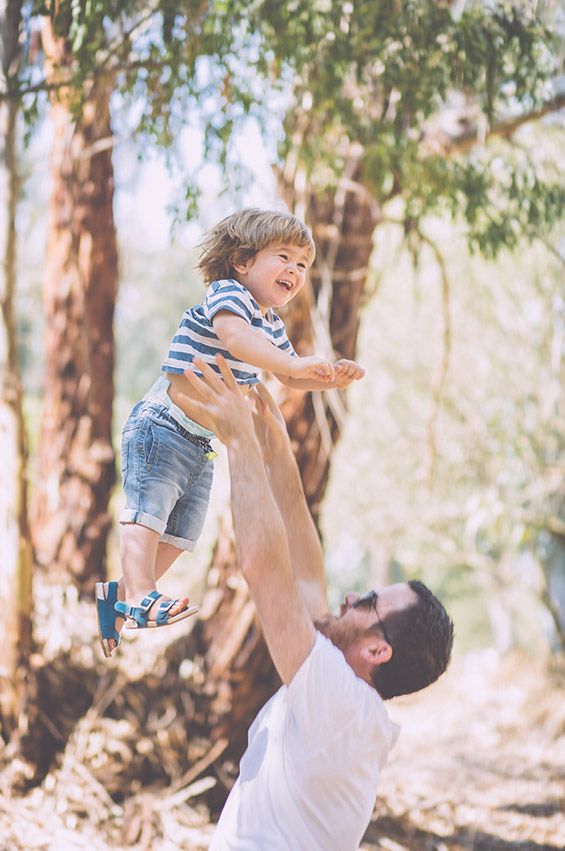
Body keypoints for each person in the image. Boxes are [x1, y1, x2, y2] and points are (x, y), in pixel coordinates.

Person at [177, 355, 455, 851]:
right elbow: (305, 578)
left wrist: (239, 440)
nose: (352, 597)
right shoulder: (346, 699)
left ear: (377, 651)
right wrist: (278, 452)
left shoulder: (341, 708)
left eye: (368, 603)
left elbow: (266, 570)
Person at [95, 209, 365, 656]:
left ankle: (118, 599)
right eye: (284, 257)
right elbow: (238, 341)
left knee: (182, 533)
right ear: (243, 261)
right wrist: (293, 364)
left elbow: (289, 374)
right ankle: (141, 593)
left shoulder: (271, 325)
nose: (295, 271)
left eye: (302, 265)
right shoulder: (229, 295)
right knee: (150, 510)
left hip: (200, 444)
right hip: (162, 424)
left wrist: (323, 376)